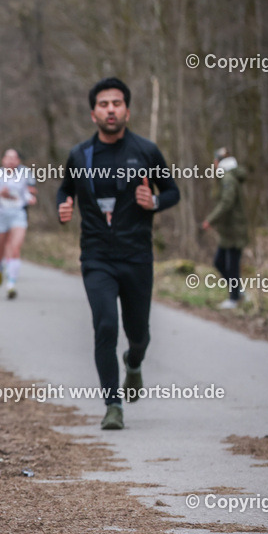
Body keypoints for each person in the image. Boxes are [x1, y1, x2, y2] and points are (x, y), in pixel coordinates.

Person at [57, 77, 180, 431]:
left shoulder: (146, 151)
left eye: (117, 103)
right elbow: (65, 189)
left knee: (138, 333)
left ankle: (135, 362)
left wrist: (154, 201)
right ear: (93, 113)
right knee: (105, 324)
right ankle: (113, 405)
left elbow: (172, 191)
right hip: (96, 256)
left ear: (127, 109)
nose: (110, 109)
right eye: (103, 104)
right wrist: (62, 207)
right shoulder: (80, 155)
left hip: (137, 256)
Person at [0, 149, 35, 299]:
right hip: (0, 215)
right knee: (0, 249)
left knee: (15, 248)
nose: (11, 161)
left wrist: (30, 198)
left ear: (18, 161)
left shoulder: (23, 175)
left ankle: (11, 284)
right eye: (8, 158)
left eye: (14, 158)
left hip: (18, 215)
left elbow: (25, 193)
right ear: (3, 160)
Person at [202, 147, 248, 309]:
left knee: (232, 266)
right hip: (228, 232)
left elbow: (226, 203)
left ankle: (234, 298)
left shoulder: (228, 178)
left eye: (215, 161)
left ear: (219, 162)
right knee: (219, 262)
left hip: (234, 230)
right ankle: (238, 291)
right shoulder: (227, 176)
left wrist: (211, 219)